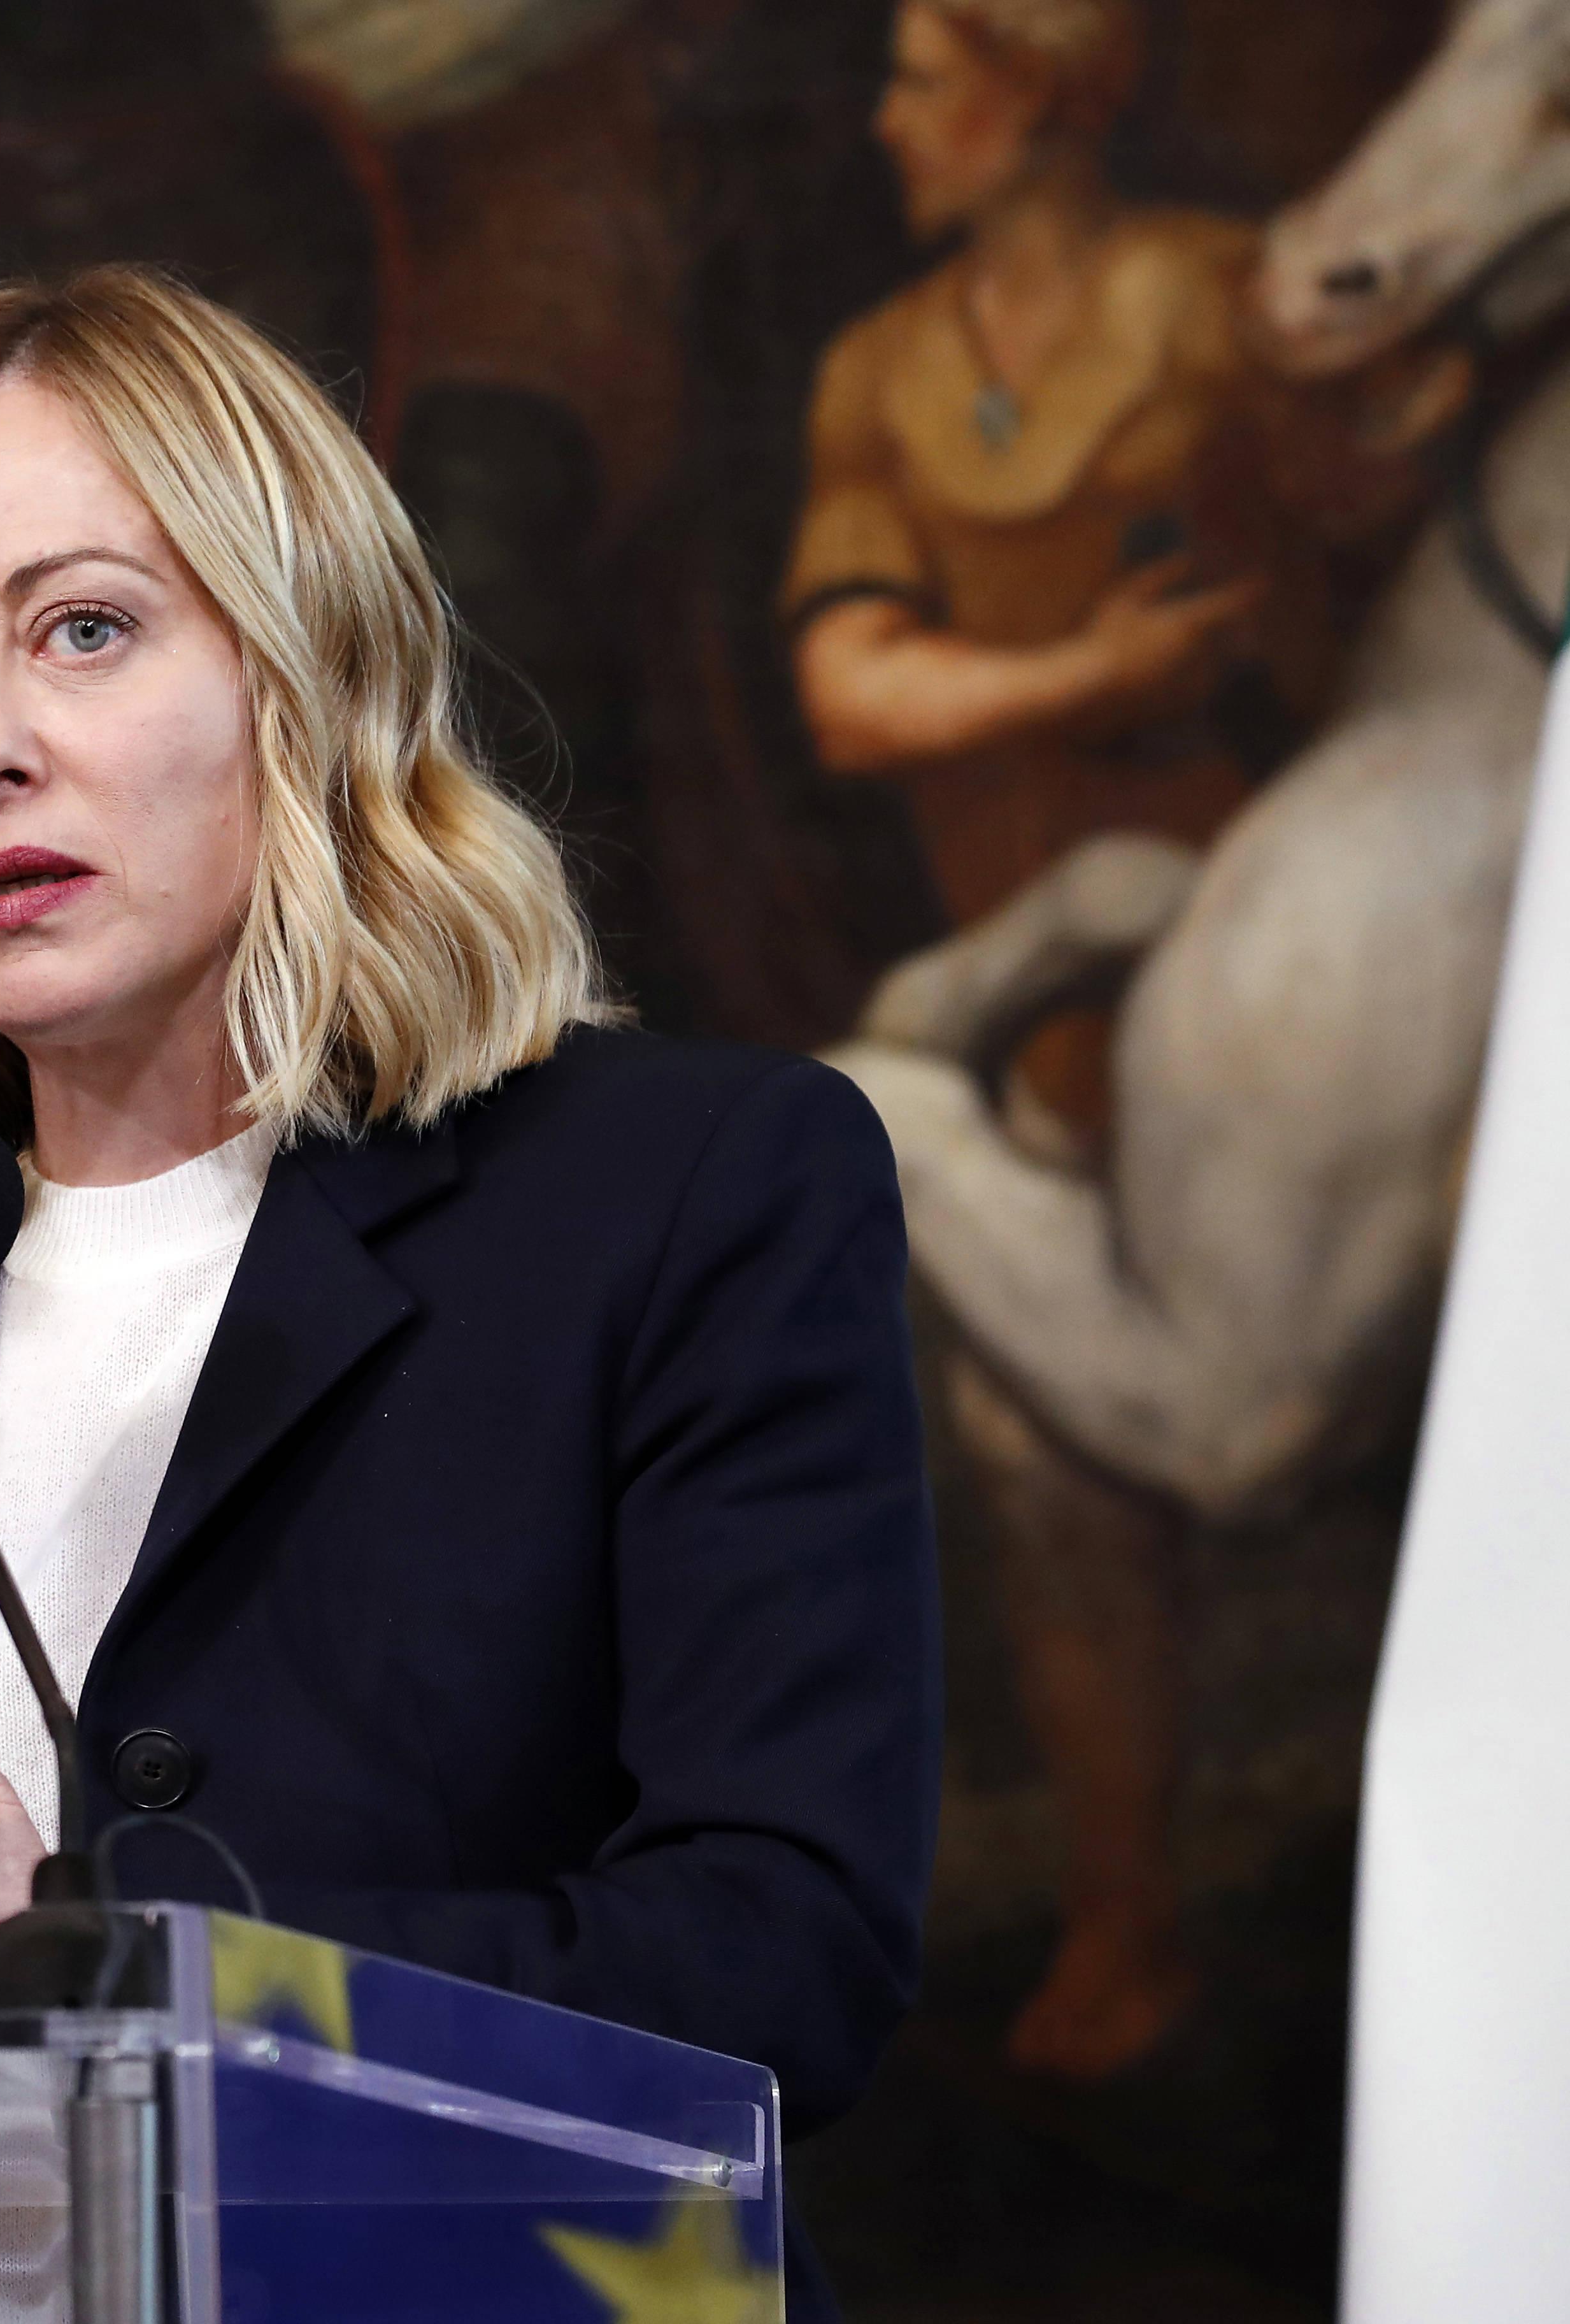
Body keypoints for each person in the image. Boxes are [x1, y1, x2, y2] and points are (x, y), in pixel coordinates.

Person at [0, 269, 938, 2321]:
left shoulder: (680, 1197)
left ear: (303, 668)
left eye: (84, 629)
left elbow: (778, 1970)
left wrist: (76, 1963)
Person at [781, 0, 1446, 2081]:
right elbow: (853, 694)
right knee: (1036, 1452)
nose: (886, 116)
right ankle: (1132, 1928)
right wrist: (1087, 671)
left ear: (1040, 90)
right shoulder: (882, 368)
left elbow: (1371, 522)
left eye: (924, 77)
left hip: (1269, 959)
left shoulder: (1210, 293)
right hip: (1019, 976)